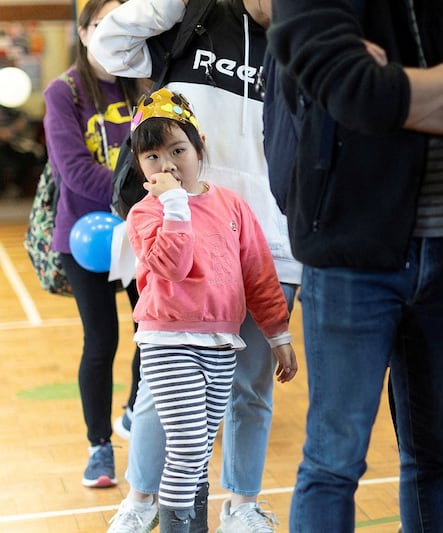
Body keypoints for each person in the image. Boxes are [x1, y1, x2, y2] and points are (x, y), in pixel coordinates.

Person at [268, 0, 443, 530]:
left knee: (440, 455)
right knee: (333, 460)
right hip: (351, 254)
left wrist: (397, 91)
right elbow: (355, 92)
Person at [90, 0, 303, 530]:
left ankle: (243, 503)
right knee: (162, 391)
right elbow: (108, 46)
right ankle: (141, 500)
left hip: (269, 238)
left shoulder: (305, 34)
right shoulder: (194, 18)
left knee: (251, 387)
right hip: (181, 229)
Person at [125, 86, 297, 533]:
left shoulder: (232, 206)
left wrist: (278, 334)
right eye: (153, 158)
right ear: (140, 167)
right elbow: (175, 267)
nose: (167, 165)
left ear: (200, 147)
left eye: (178, 150)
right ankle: (176, 524)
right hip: (168, 341)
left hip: (221, 343)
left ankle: (196, 520)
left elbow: (259, 273)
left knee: (198, 447)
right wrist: (175, 203)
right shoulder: (145, 213)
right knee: (185, 445)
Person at [42, 0, 141, 489]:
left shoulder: (142, 82)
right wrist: (143, 192)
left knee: (157, 334)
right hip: (84, 237)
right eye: (103, 23)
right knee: (101, 343)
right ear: (84, 33)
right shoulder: (63, 92)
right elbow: (75, 173)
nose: (113, 32)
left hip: (143, 231)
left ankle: (134, 413)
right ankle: (99, 447)